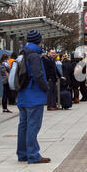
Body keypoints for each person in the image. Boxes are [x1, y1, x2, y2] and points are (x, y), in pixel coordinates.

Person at [17, 29, 50, 164]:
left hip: (23, 95)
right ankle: (33, 154)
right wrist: (46, 88)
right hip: (34, 95)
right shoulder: (34, 55)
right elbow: (38, 75)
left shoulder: (23, 53)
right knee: (33, 126)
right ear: (39, 40)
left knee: (23, 125)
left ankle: (22, 153)